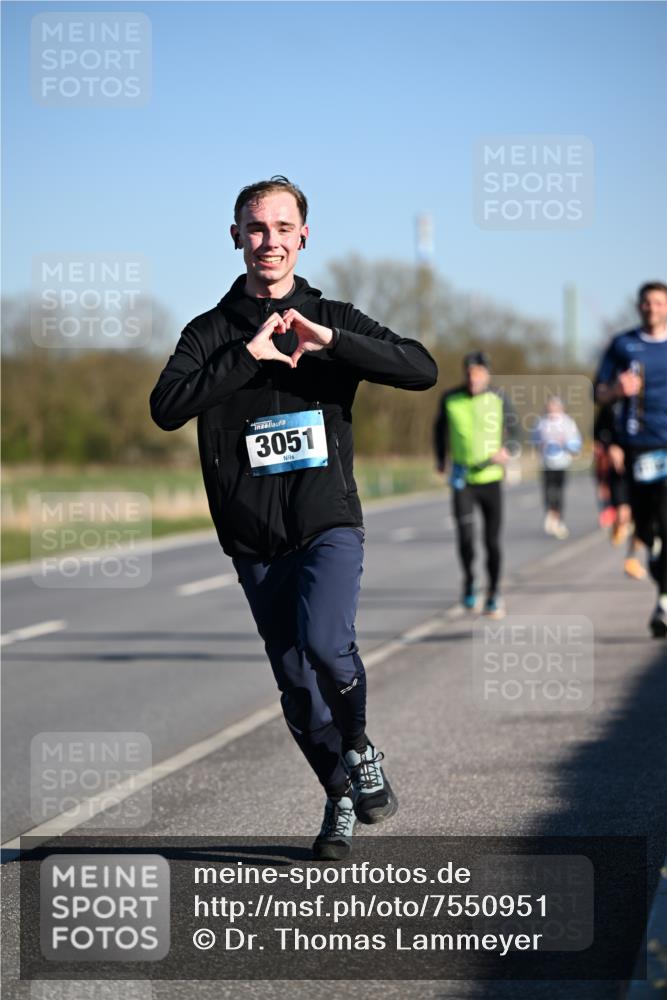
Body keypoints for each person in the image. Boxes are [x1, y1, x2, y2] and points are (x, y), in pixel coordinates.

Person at [150, 176, 438, 858]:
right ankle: (340, 791)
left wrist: (332, 340)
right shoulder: (209, 331)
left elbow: (420, 369)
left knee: (324, 642)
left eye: (282, 228)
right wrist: (245, 356)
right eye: (255, 228)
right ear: (235, 237)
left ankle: (361, 749)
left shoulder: (331, 316)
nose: (268, 241)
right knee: (296, 686)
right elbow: (167, 407)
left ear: (302, 235)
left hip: (325, 517)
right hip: (253, 536)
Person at [595, 281, 667, 638]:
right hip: (636, 449)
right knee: (646, 527)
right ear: (638, 307)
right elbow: (599, 393)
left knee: (666, 523)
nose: (651, 307)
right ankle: (659, 577)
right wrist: (616, 392)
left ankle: (665, 601)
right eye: (646, 302)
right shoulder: (622, 345)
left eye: (658, 302)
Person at [433, 351, 516, 619]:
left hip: (490, 479)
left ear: (487, 374)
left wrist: (508, 450)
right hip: (462, 479)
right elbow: (438, 430)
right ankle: (470, 580)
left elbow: (516, 431)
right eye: (469, 373)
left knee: (492, 541)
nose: (473, 378)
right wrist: (440, 459)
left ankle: (493, 593)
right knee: (466, 539)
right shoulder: (450, 398)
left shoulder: (499, 398)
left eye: (478, 372)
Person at [531, 395, 582, 540]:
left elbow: (575, 443)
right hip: (546, 463)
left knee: (558, 492)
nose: (552, 408)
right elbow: (535, 440)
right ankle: (551, 515)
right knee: (548, 492)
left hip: (562, 463)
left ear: (561, 407)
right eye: (550, 405)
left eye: (555, 406)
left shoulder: (567, 422)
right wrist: (542, 448)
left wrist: (566, 446)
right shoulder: (541, 422)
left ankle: (557, 519)